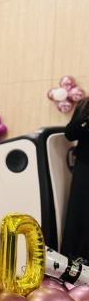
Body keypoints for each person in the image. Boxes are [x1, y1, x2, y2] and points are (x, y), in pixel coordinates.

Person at [62, 97, 89, 264]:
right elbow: (70, 133)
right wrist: (84, 121)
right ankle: (74, 255)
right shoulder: (84, 105)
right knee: (79, 210)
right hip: (84, 165)